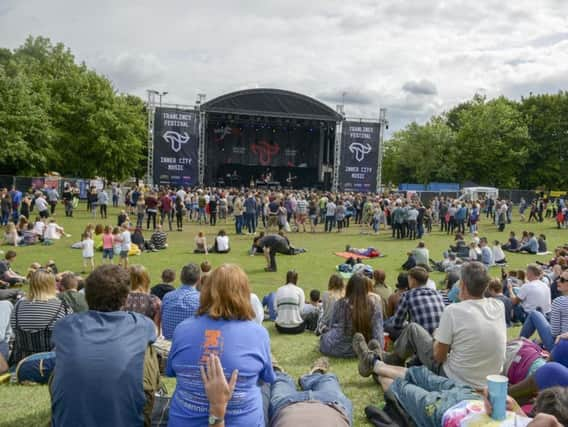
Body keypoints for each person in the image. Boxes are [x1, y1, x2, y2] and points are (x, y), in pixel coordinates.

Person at [353, 340, 568, 427]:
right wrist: (516, 408)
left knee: (402, 390)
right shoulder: (529, 417)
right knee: (421, 375)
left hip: (446, 412)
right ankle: (375, 363)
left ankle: (376, 366)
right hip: (469, 397)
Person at [50, 265, 160, 427]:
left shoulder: (64, 326)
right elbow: (154, 333)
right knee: (148, 351)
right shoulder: (141, 325)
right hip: (128, 420)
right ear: (125, 298)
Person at [166, 264, 275, 426]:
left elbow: (171, 371)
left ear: (206, 290)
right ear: (244, 293)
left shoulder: (182, 329)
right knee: (266, 389)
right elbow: (267, 377)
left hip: (183, 420)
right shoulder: (258, 333)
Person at [383, 262, 507, 390]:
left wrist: (437, 338)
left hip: (456, 379)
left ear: (462, 284)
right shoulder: (498, 306)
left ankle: (393, 359)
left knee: (413, 329)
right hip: (490, 380)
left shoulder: (453, 311)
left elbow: (439, 357)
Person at [9, 269, 72, 365]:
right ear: (52, 285)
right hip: (50, 365)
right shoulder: (62, 307)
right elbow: (70, 337)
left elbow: (14, 331)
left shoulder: (17, 306)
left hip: (21, 363)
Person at [320, 273, 384, 358]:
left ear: (349, 286)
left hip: (336, 348)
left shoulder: (340, 303)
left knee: (324, 336)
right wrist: (379, 349)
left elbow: (332, 326)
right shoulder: (374, 306)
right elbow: (378, 333)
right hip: (362, 348)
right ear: (366, 288)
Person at [519, 268, 568, 351]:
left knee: (534, 314)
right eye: (559, 278)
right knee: (540, 313)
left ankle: (519, 343)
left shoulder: (559, 301)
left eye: (562, 280)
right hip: (563, 344)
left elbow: (554, 333)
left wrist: (540, 339)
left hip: (558, 346)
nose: (558, 281)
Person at [391, 267, 445, 335]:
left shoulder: (407, 295)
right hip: (440, 337)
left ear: (413, 281)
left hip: (421, 339)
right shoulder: (437, 293)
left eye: (409, 279)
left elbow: (397, 324)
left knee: (388, 325)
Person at [161, 263, 201, 340]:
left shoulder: (167, 297)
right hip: (189, 344)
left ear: (180, 278)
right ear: (199, 279)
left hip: (168, 344)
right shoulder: (201, 299)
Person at [123, 265, 161, 331]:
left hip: (123, 338)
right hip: (145, 338)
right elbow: (156, 329)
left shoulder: (119, 299)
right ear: (146, 280)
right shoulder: (154, 300)